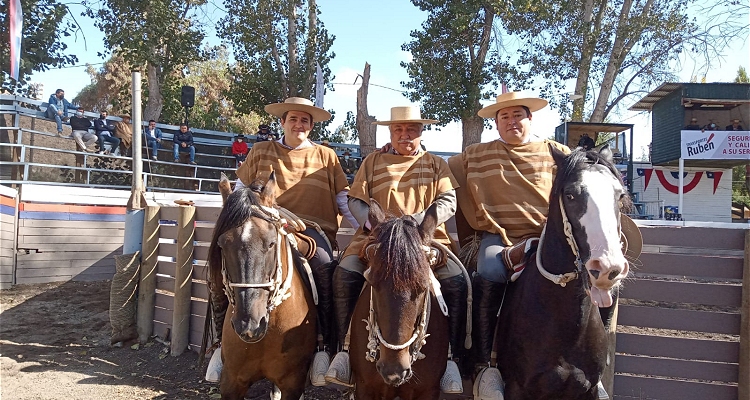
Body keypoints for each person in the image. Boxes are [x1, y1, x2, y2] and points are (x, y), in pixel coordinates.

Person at [205, 97, 357, 385]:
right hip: (262, 225)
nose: (298, 125)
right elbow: (239, 193)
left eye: (305, 121)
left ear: (312, 126)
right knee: (221, 266)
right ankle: (218, 345)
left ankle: (325, 345)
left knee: (325, 266)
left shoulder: (327, 156)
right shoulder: (261, 151)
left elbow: (342, 201)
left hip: (310, 229)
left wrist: (367, 228)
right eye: (293, 119)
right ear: (283, 122)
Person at [324, 106, 467, 394]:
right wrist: (378, 228)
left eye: (411, 129)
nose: (404, 135)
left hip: (426, 241)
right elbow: (356, 200)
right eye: (398, 130)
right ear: (390, 133)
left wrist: (416, 224)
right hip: (376, 240)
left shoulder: (437, 163)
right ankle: (342, 351)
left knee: (458, 282)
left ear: (421, 132)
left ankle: (453, 359)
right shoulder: (373, 161)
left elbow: (448, 201)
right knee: (344, 274)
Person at [448, 92, 578, 400]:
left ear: (530, 118)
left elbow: (580, 184)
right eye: (503, 117)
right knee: (489, 271)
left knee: (588, 278)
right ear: (496, 123)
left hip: (551, 237)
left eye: (517, 115)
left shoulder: (556, 152)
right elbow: (439, 169)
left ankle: (588, 367)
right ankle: (484, 365)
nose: (511, 122)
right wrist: (396, 153)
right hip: (500, 237)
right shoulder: (476, 154)